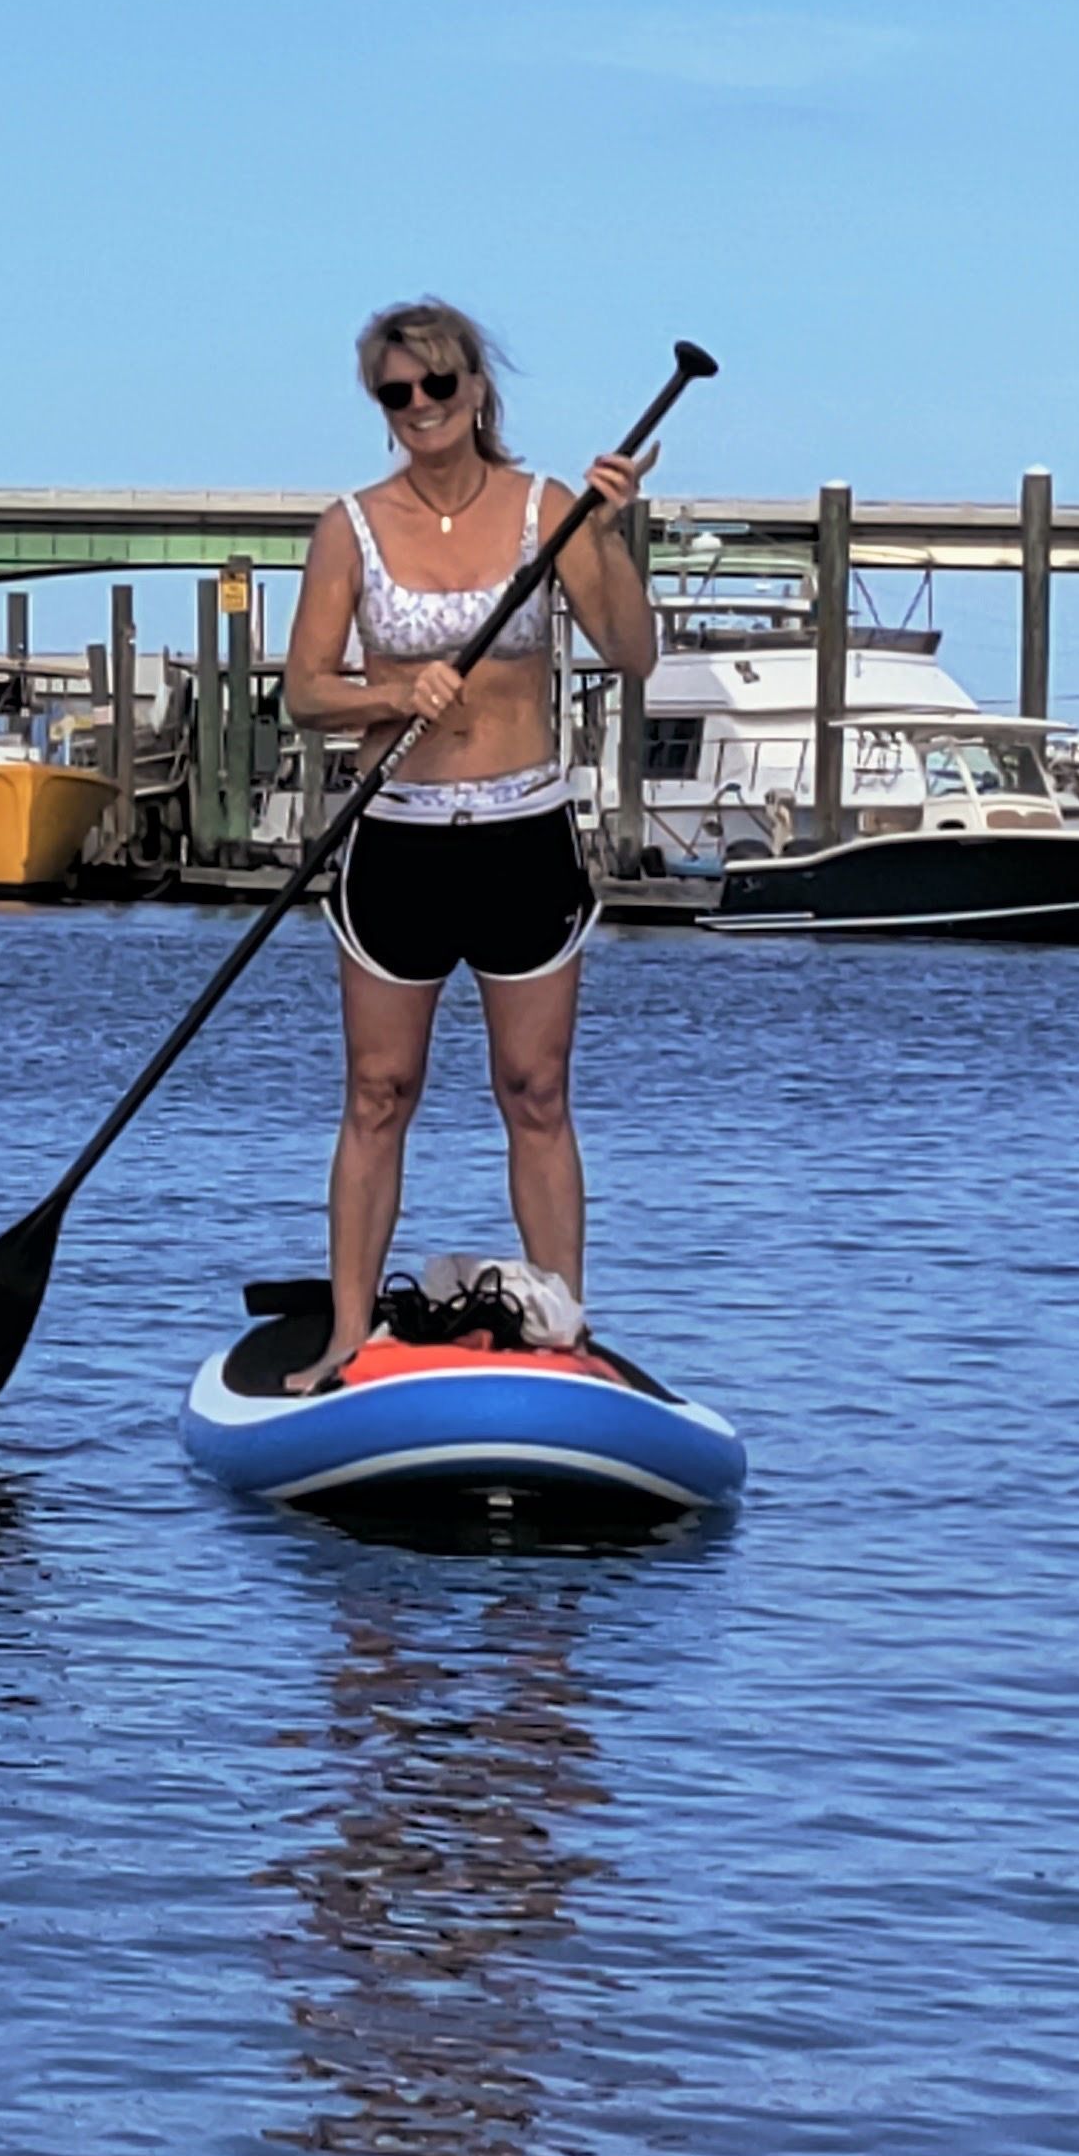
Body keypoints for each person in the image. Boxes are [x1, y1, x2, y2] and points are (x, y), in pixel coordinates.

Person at [276, 299, 658, 1391]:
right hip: (393, 839)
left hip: (521, 832)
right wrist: (393, 690)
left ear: (477, 388)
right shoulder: (347, 526)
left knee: (534, 1092)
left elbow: (632, 651)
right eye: (395, 394)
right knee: (377, 1091)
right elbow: (306, 691)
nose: (419, 409)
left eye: (437, 386)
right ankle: (348, 1337)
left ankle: (563, 1333)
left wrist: (609, 533)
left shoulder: (551, 510)